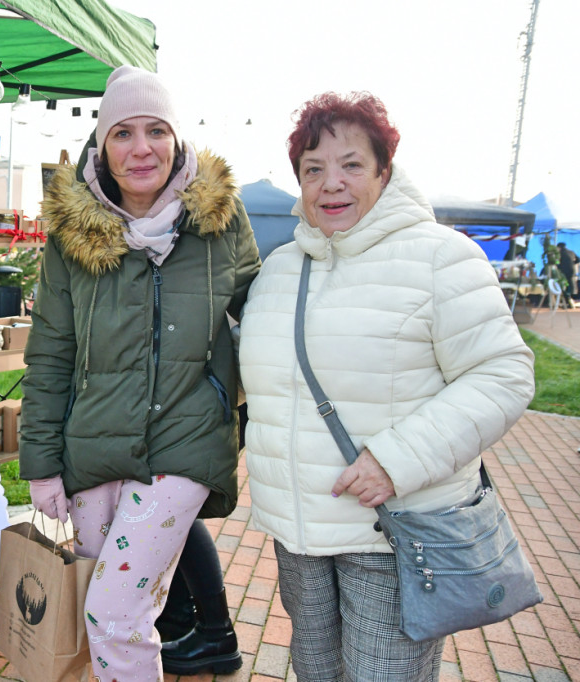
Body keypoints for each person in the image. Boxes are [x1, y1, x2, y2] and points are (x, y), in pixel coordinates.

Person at [239, 92, 535, 681]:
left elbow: (503, 373)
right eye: (313, 169)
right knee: (315, 671)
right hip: (298, 532)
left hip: (394, 529)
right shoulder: (278, 271)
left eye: (351, 165)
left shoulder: (440, 258)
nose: (331, 185)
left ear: (384, 171)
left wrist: (393, 461)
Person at [19, 65, 261, 680]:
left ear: (178, 139)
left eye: (156, 130)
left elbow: (262, 314)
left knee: (112, 610)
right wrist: (41, 461)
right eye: (123, 133)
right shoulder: (70, 238)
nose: (141, 148)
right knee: (120, 608)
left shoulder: (220, 221)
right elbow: (49, 354)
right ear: (101, 147)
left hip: (185, 442)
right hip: (91, 448)